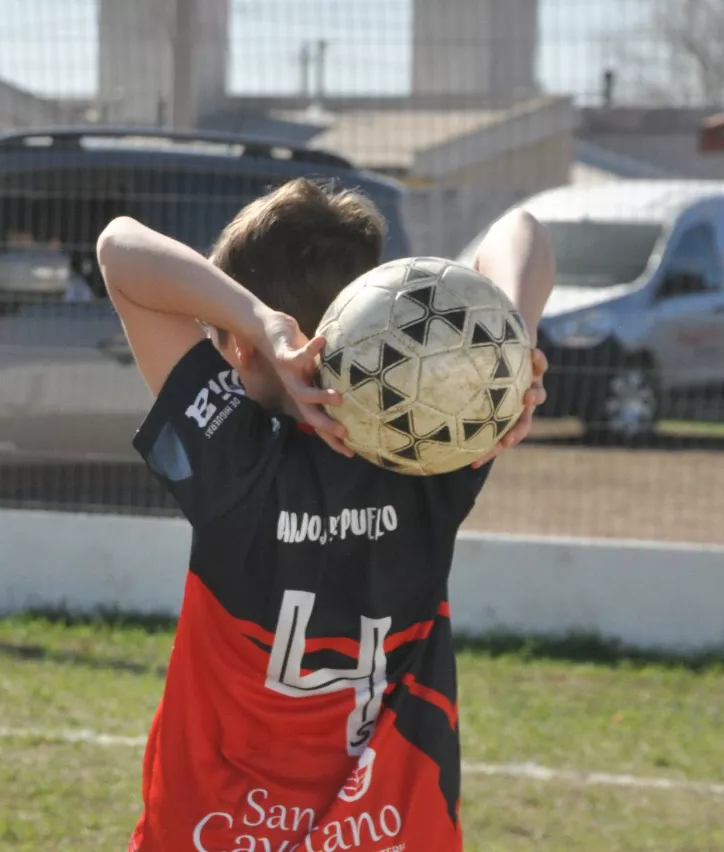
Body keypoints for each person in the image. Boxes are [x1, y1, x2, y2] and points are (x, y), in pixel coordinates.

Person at [94, 179, 554, 852]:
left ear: (240, 350)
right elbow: (521, 227)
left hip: (214, 833)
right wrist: (507, 349)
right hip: (393, 835)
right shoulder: (433, 452)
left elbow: (120, 252)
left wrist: (257, 319)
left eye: (225, 340)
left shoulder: (233, 459)